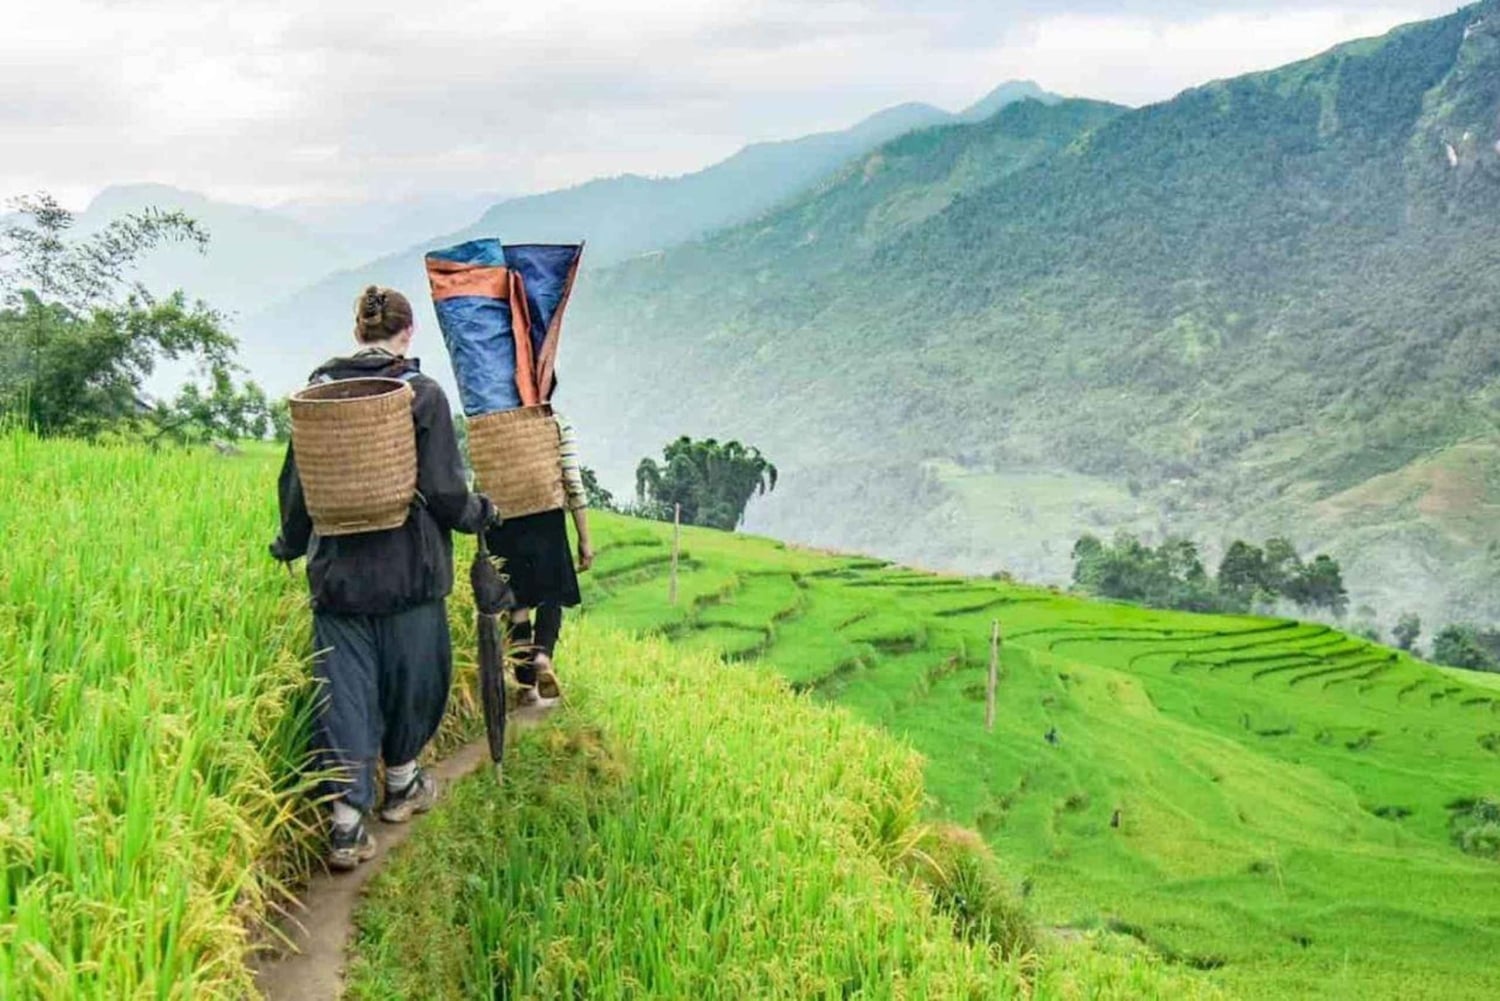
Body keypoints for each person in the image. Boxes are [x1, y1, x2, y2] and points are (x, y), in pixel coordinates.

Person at [270, 285, 499, 871]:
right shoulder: (420, 395)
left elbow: (300, 487)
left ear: (358, 332)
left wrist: (290, 544)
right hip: (409, 575)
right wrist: (482, 514)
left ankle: (346, 824)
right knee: (414, 684)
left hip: (338, 579)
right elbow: (448, 494)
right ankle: (402, 785)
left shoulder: (320, 396)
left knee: (343, 696)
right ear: (408, 332)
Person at [484, 405, 593, 705]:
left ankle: (525, 687)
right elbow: (572, 480)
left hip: (503, 520)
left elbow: (481, 478)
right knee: (550, 595)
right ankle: (543, 655)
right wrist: (584, 538)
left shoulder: (491, 423)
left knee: (517, 604)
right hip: (546, 516)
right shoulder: (555, 420)